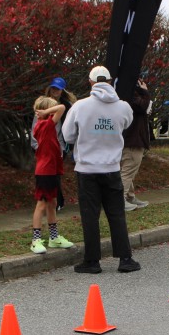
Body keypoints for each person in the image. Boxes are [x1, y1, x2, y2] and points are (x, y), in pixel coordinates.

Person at [61, 65, 139, 274]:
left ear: (90, 82)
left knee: (90, 216)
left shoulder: (80, 106)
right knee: (117, 214)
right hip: (112, 167)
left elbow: (68, 135)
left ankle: (92, 261)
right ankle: (125, 259)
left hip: (87, 169)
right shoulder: (123, 107)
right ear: (111, 81)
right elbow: (126, 124)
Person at [29, 96, 75, 254]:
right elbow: (62, 107)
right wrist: (45, 112)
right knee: (41, 204)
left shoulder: (45, 125)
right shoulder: (46, 125)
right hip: (45, 171)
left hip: (52, 170)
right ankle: (35, 240)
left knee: (52, 203)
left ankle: (54, 237)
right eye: (50, 108)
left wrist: (45, 112)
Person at [45, 77, 77, 211]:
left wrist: (67, 144)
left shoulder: (67, 105)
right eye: (53, 88)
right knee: (49, 172)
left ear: (62, 90)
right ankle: (56, 200)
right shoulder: (44, 102)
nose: (55, 91)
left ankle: (57, 201)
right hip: (46, 142)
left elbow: (70, 125)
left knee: (54, 172)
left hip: (61, 144)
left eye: (58, 89)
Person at [121, 79, 151, 212]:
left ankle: (130, 196)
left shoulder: (124, 92)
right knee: (128, 170)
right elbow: (142, 106)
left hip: (131, 139)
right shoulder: (130, 95)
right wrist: (145, 92)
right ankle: (121, 199)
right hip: (132, 139)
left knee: (129, 169)